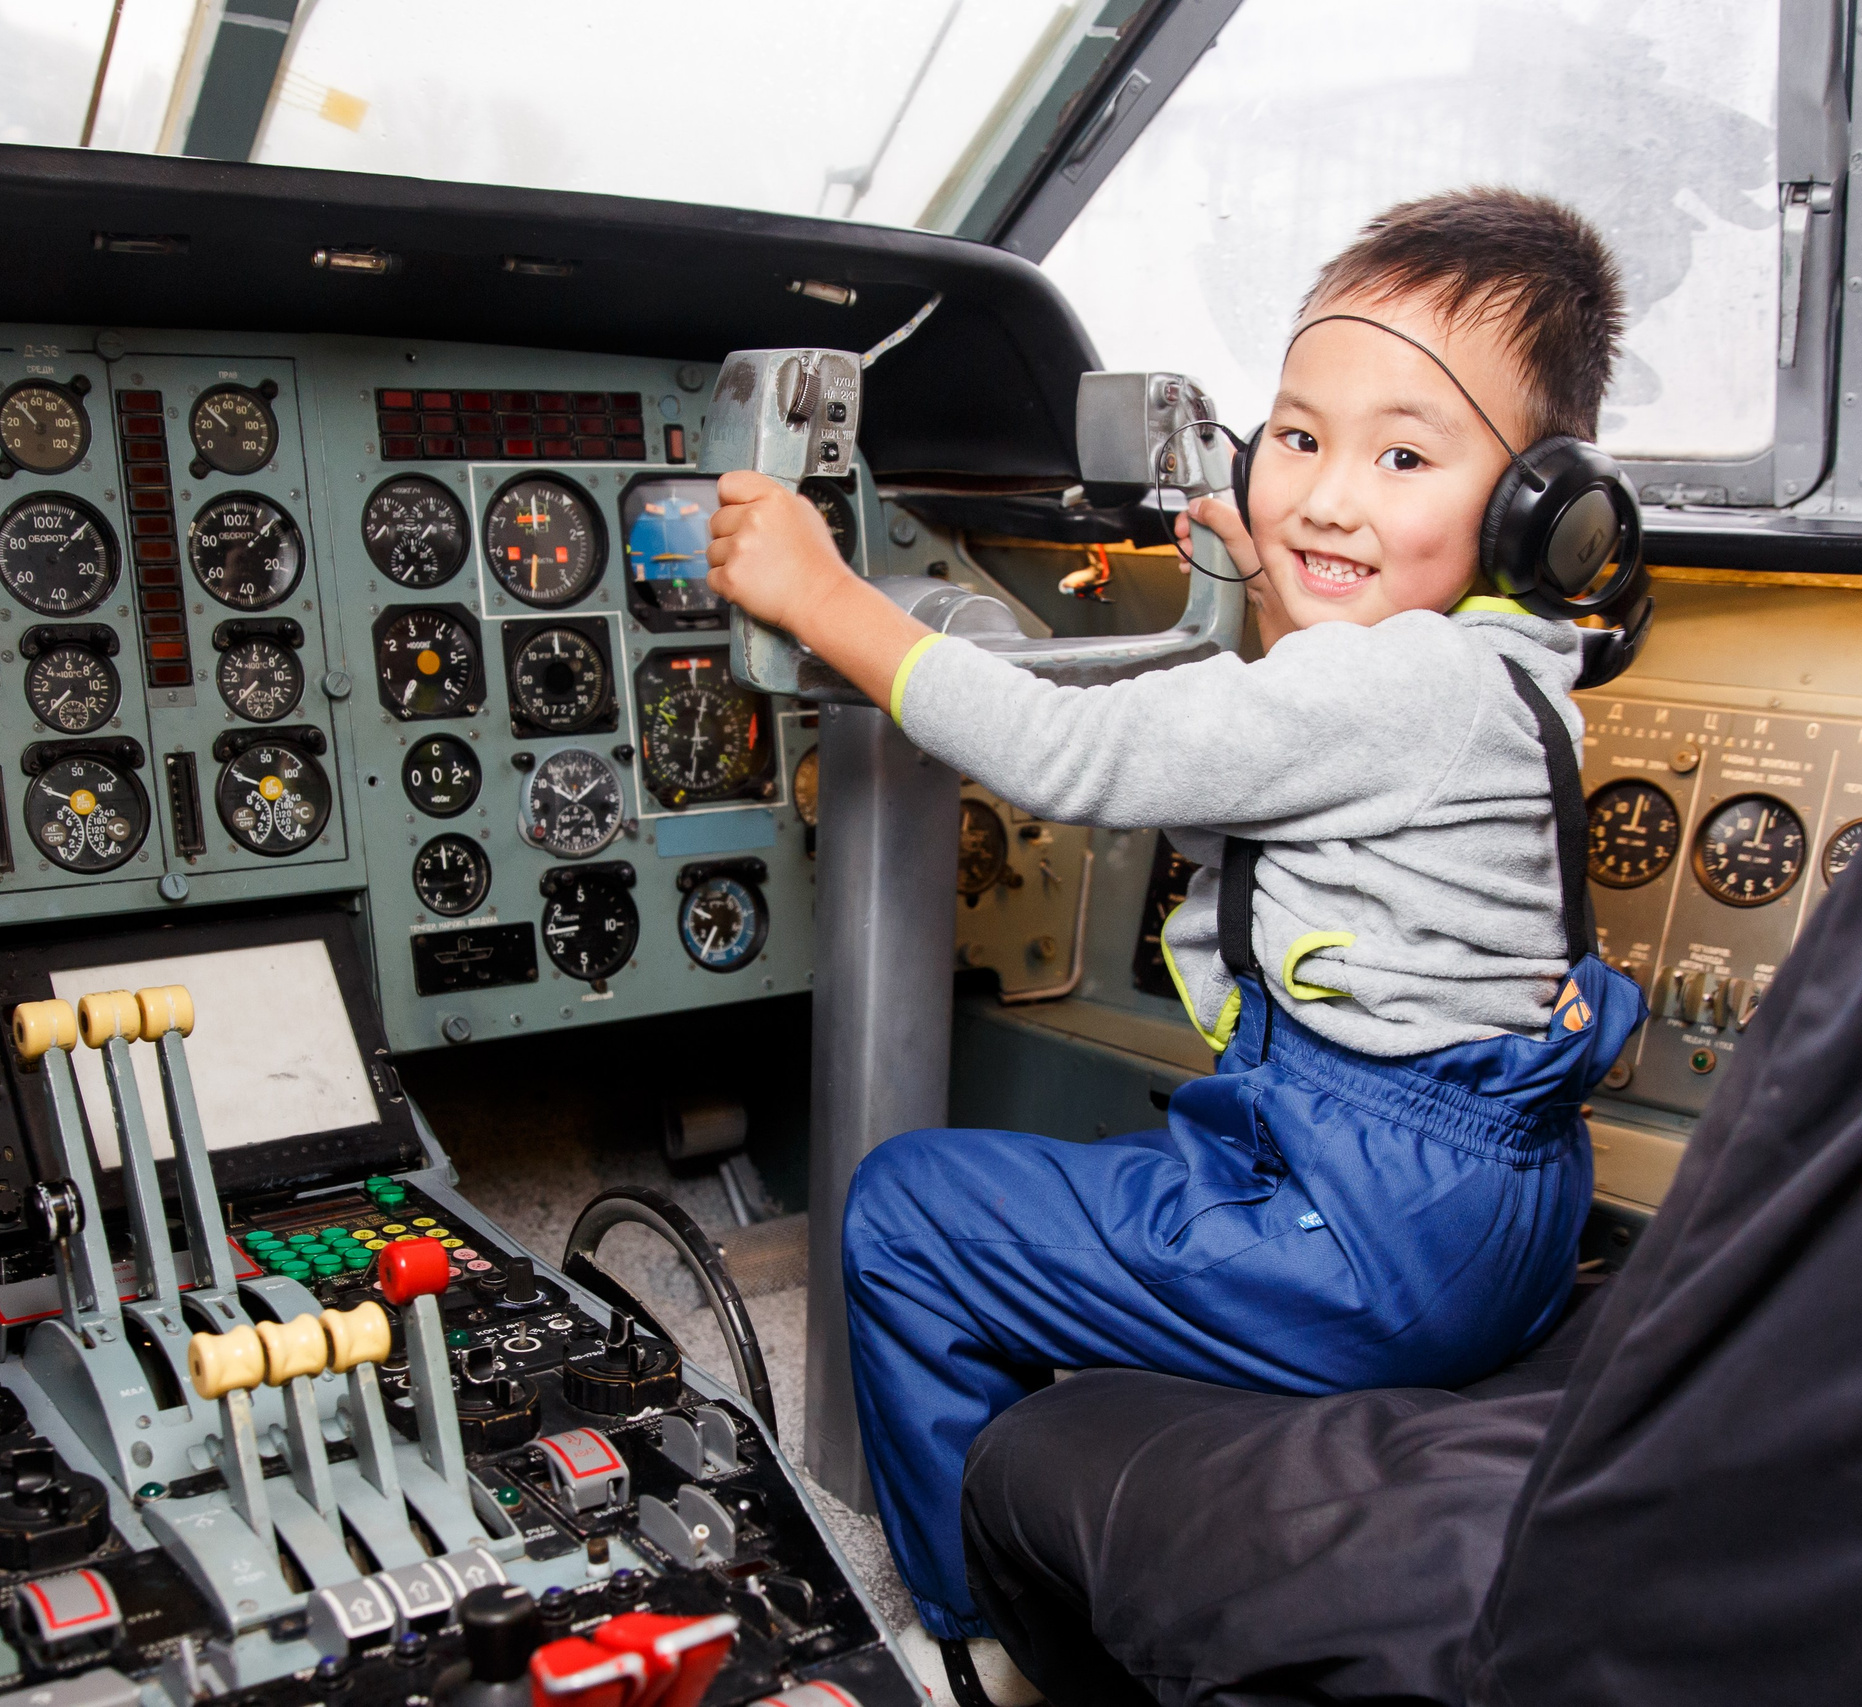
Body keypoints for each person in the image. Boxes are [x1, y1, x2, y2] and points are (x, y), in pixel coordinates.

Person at [704, 187, 1646, 1693]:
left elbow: (1066, 756)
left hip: (1368, 1232)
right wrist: (1284, 598)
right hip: (1494, 1223)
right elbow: (1342, 732)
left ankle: (975, 1636)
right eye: (1300, 437)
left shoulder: (1381, 696)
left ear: (1541, 506)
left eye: (1405, 455)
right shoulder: (1507, 671)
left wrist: (825, 598)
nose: (1331, 496)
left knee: (909, 1214)